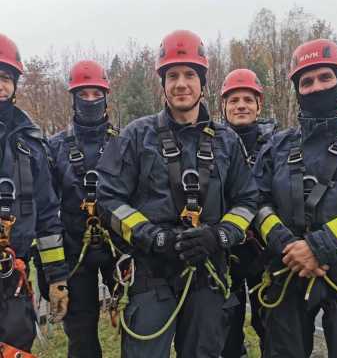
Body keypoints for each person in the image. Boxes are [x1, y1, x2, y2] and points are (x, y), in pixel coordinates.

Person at [96, 30, 258, 358]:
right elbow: (109, 199)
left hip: (208, 276)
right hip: (152, 275)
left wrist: (219, 236)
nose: (181, 83)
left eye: (189, 75)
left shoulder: (226, 141)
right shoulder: (136, 136)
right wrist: (154, 237)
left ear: (203, 83)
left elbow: (247, 201)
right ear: (162, 84)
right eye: (172, 75)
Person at [254, 38, 337, 357]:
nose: (315, 88)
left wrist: (321, 247)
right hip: (288, 271)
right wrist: (287, 244)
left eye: (324, 78)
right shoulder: (277, 146)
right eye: (306, 81)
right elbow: (254, 202)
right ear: (297, 89)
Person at [48, 60, 122, 358]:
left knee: (135, 323)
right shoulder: (55, 148)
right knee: (80, 333)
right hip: (74, 250)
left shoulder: (124, 143)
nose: (90, 100)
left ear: (106, 98)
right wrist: (52, 273)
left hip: (118, 248)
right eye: (84, 94)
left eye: (96, 94)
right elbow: (46, 211)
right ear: (73, 97)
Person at [0, 33, 68, 354]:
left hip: (14, 277)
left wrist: (56, 279)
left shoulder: (31, 145)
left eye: (5, 78)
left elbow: (47, 217)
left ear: (14, 85)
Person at [220, 68, 276, 357]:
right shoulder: (210, 144)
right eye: (233, 100)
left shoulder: (276, 145)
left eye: (247, 99)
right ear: (224, 107)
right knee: (226, 324)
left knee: (269, 322)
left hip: (263, 250)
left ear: (258, 106)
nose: (240, 105)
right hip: (223, 248)